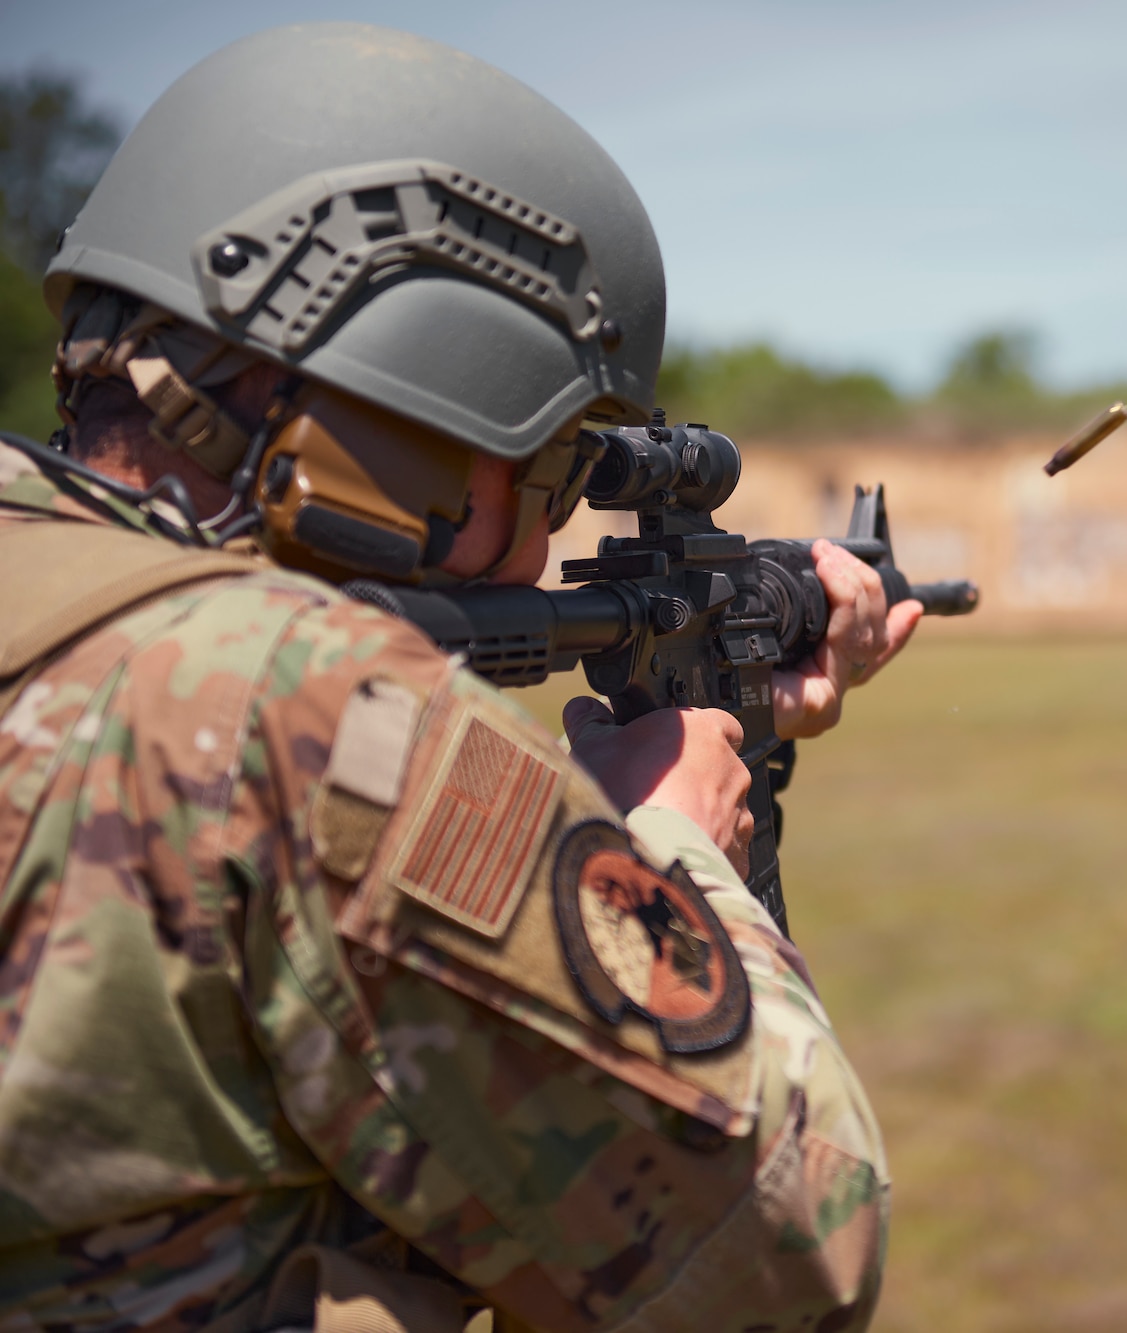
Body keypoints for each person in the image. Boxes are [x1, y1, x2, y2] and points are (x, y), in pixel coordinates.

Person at [0, 23, 919, 1333]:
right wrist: (675, 850)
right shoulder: (310, 708)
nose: (545, 548)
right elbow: (792, 1244)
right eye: (539, 467)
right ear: (388, 418)